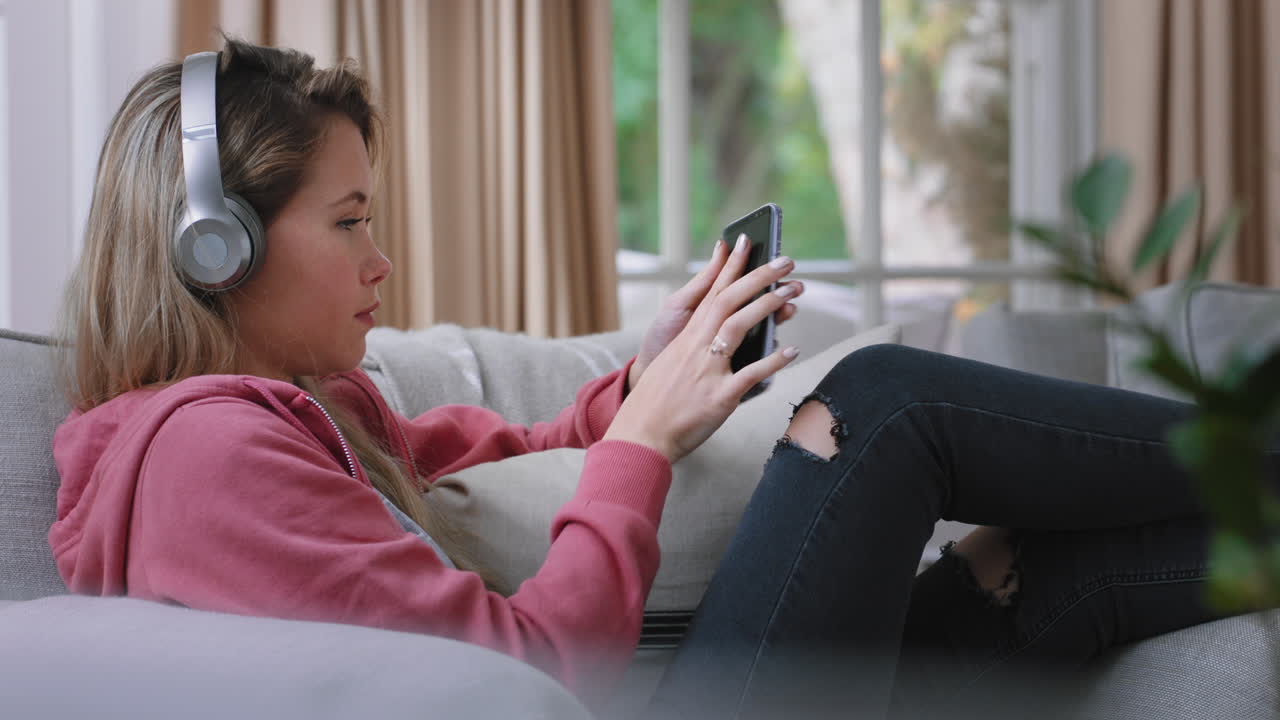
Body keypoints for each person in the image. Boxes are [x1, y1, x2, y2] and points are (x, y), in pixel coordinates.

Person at [49, 38, 1267, 720]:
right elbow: (530, 672)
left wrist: (644, 378)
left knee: (1055, 570)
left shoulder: (315, 416)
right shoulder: (209, 461)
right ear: (220, 247)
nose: (380, 263)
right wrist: (642, 448)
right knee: (886, 404)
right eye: (350, 222)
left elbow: (503, 448)